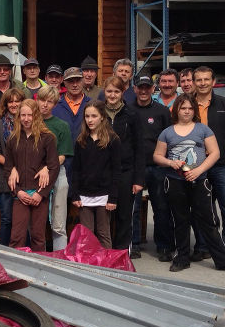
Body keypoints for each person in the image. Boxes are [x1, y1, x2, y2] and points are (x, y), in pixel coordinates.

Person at [153, 94, 225, 274]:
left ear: (194, 110)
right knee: (180, 221)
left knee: (208, 221)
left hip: (200, 181)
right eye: (183, 108)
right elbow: (157, 156)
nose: (186, 111)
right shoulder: (167, 132)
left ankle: (223, 261)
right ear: (176, 109)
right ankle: (182, 258)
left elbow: (214, 153)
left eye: (190, 108)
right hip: (175, 181)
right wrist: (170, 163)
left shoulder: (203, 130)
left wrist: (199, 171)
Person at [189, 66, 225, 265]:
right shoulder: (188, 105)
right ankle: (203, 247)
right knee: (201, 210)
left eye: (206, 79)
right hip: (196, 165)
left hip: (222, 166)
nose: (202, 83)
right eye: (198, 80)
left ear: (213, 82)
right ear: (193, 82)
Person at [5, 99, 61, 251]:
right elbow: (8, 169)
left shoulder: (47, 138)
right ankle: (17, 272)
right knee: (17, 236)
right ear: (18, 116)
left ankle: (39, 272)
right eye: (23, 115)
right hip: (20, 194)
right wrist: (18, 192)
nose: (26, 119)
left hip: (38, 194)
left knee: (38, 236)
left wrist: (41, 194)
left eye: (30, 115)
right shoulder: (12, 139)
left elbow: (54, 167)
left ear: (36, 115)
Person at [129, 75, 173, 261]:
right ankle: (134, 244)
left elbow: (170, 138)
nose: (144, 91)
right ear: (135, 89)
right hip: (134, 167)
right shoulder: (128, 110)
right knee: (134, 208)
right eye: (141, 87)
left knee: (161, 207)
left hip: (158, 167)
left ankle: (163, 246)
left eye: (147, 87)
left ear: (153, 89)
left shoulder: (162, 112)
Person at [102, 76, 145, 254]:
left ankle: (121, 253)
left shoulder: (132, 115)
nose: (112, 95)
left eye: (116, 91)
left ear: (123, 92)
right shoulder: (97, 112)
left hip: (125, 172)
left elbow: (139, 149)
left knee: (124, 215)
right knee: (103, 216)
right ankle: (104, 252)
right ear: (104, 92)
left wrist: (138, 179)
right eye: (109, 91)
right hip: (102, 172)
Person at [70, 101, 121, 249]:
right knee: (87, 234)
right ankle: (89, 267)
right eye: (87, 116)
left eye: (94, 116)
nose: (90, 120)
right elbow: (76, 169)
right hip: (85, 195)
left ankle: (106, 268)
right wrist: (75, 194)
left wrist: (113, 197)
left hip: (104, 195)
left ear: (102, 117)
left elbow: (116, 170)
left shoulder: (113, 140)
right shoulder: (81, 141)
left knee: (104, 233)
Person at [37, 85, 73, 250]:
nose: (45, 104)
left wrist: (47, 167)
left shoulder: (61, 125)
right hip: (33, 174)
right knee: (36, 223)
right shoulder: (29, 122)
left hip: (57, 173)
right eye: (42, 100)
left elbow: (62, 155)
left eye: (50, 102)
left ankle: (61, 259)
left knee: (58, 223)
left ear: (55, 104)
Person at [0, 88, 25, 245]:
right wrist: (12, 167)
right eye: (11, 101)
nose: (14, 104)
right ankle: (5, 253)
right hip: (4, 176)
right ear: (5, 104)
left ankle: (26, 253)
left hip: (26, 176)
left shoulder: (28, 121)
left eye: (17, 100)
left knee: (24, 219)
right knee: (6, 218)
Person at [52, 67, 91, 185]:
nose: (75, 84)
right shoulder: (55, 107)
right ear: (64, 82)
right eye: (70, 81)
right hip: (62, 165)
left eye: (78, 80)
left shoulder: (92, 105)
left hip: (87, 163)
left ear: (83, 81)